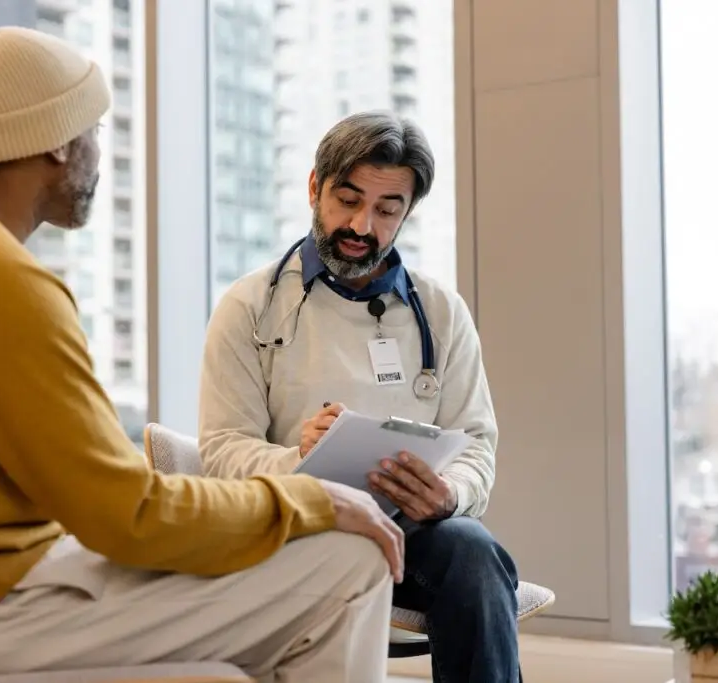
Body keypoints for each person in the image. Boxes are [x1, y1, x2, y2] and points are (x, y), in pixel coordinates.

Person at [0, 27, 406, 683]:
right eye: (93, 131)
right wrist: (311, 499)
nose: (99, 154)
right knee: (348, 559)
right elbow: (130, 515)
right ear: (59, 140)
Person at [199, 111, 521, 682]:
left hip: (410, 532)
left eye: (386, 210)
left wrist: (448, 494)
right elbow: (223, 449)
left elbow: (477, 444)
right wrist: (297, 458)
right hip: (296, 523)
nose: (362, 225)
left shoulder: (441, 313)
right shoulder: (249, 306)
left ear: (406, 213)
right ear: (313, 187)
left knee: (472, 551)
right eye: (347, 200)